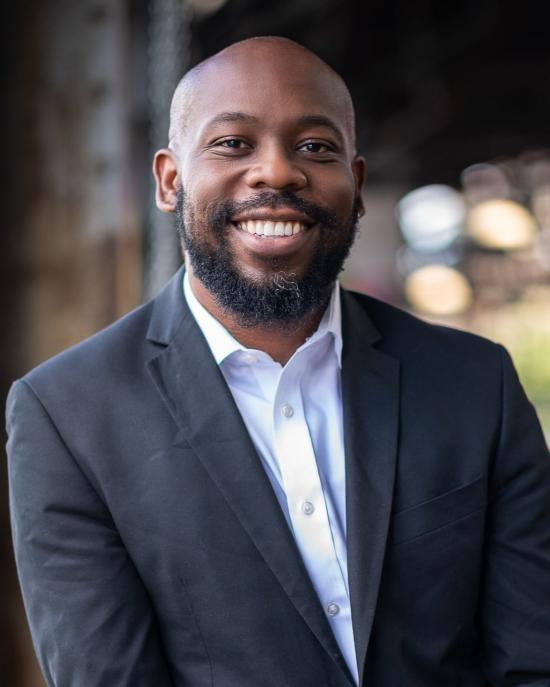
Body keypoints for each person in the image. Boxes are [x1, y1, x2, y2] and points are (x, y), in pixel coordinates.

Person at [6, 36, 550, 687]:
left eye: (316, 148)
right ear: (170, 180)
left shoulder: (474, 382)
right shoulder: (66, 415)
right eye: (234, 143)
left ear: (358, 182)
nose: (278, 173)